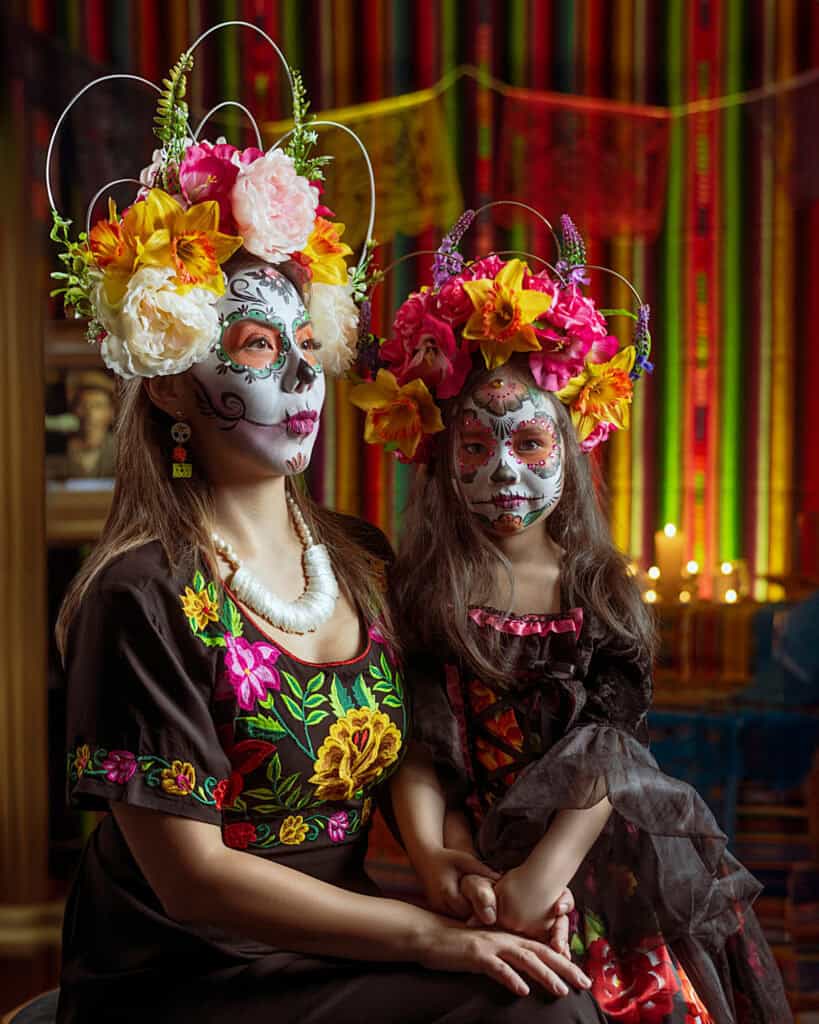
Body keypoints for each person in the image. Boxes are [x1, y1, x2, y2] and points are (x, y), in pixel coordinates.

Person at [47, 42, 603, 1024]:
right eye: (260, 349)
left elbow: (414, 752)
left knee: (558, 989)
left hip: (337, 939)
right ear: (173, 375)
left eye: (310, 347)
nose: (303, 381)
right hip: (187, 977)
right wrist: (435, 936)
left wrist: (443, 865)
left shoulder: (362, 558)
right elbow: (195, 882)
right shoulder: (142, 594)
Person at [351, 211, 794, 1024]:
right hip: (473, 880)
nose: (503, 473)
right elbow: (421, 747)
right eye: (476, 450)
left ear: (570, 444)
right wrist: (438, 858)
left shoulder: (597, 590)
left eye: (527, 443)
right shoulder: (417, 589)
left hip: (590, 866)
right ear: (441, 461)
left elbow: (607, 755)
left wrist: (537, 882)